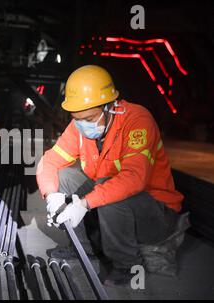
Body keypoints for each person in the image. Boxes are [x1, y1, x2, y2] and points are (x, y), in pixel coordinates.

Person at [36, 65, 187, 286]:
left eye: (89, 118)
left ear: (110, 107)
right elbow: (50, 161)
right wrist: (51, 196)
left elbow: (134, 178)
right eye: (77, 118)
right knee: (65, 176)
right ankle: (83, 249)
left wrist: (84, 204)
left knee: (110, 188)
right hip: (114, 210)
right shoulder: (79, 125)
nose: (83, 125)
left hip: (154, 215)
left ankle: (126, 265)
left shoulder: (137, 120)